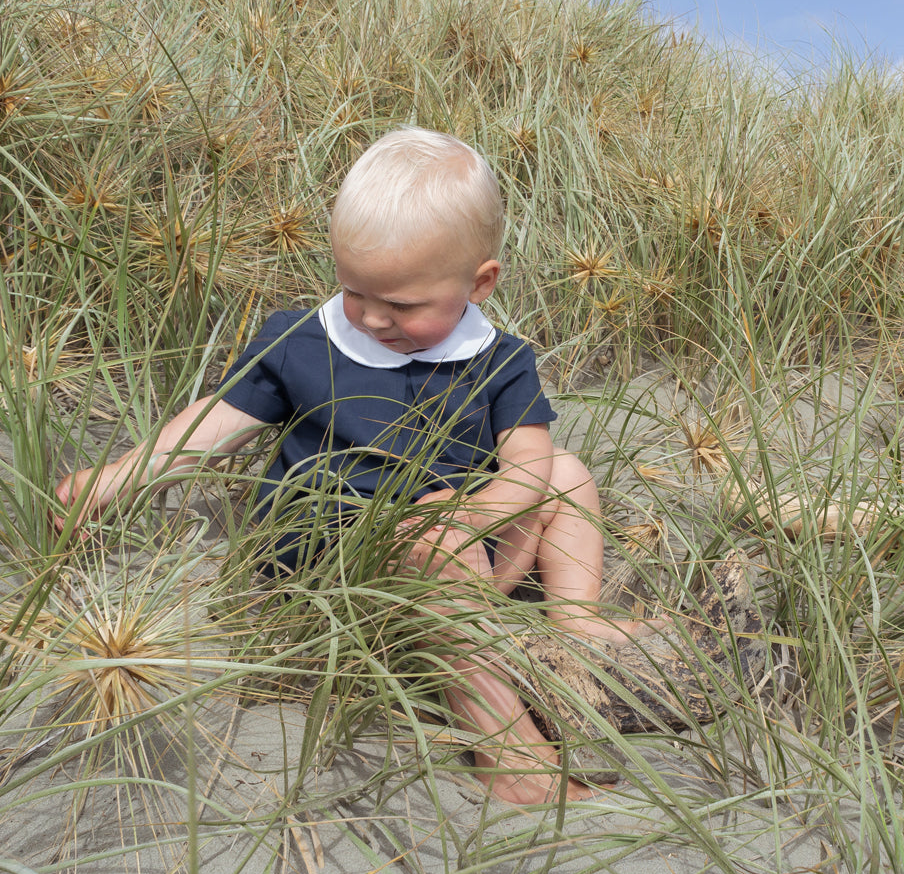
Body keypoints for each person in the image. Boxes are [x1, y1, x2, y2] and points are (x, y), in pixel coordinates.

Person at [54, 128, 664, 805]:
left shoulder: (499, 360)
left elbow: (526, 464)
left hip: (465, 543)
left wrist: (480, 514)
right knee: (438, 544)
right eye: (354, 291)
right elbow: (206, 431)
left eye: (401, 304)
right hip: (339, 566)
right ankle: (505, 753)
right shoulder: (302, 343)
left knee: (566, 470)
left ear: (480, 282)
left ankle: (573, 626)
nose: (372, 318)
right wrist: (112, 479)